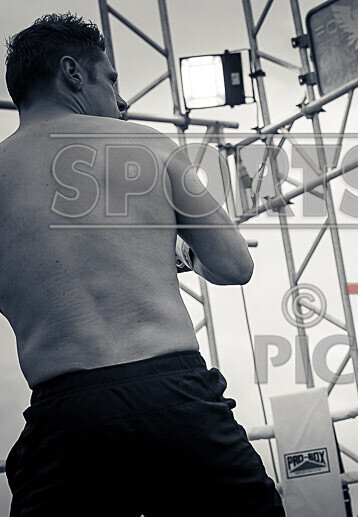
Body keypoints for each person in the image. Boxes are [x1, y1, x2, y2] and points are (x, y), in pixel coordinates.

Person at [1, 13, 283, 516]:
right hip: (173, 394)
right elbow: (235, 265)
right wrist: (175, 251)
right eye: (110, 79)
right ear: (72, 72)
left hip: (66, 413)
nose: (121, 99)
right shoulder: (146, 143)